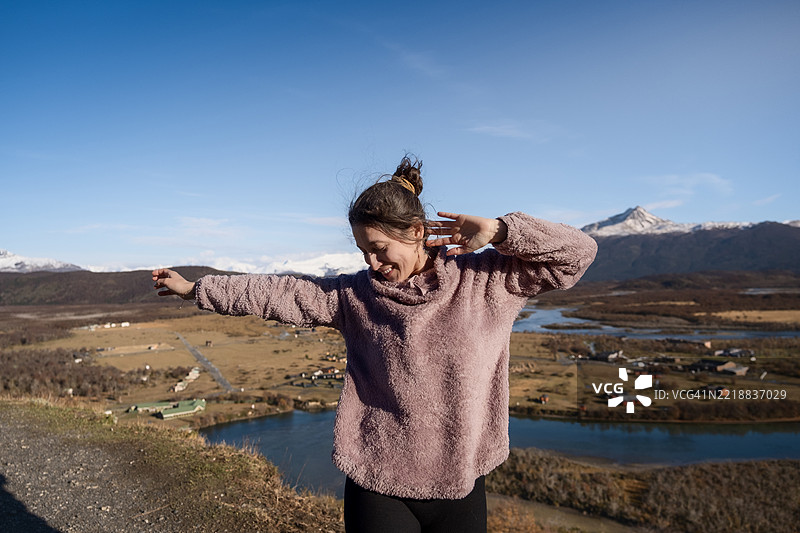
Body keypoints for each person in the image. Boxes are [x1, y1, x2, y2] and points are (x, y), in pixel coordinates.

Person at [152, 156, 597, 533]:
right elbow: (278, 292)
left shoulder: (486, 280)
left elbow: (578, 254)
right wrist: (196, 290)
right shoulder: (355, 296)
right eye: (363, 250)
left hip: (461, 479)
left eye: (380, 248)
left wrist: (502, 229)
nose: (371, 262)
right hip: (377, 479)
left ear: (418, 232)